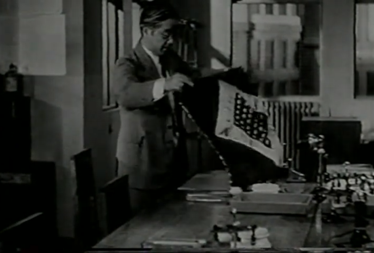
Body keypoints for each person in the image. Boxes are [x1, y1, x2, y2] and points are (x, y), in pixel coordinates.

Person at [113, 1, 200, 216]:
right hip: (143, 164)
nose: (171, 41)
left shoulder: (169, 59)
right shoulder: (127, 63)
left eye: (173, 35)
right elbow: (126, 94)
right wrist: (164, 85)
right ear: (146, 31)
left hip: (172, 163)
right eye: (165, 34)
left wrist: (224, 73)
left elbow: (193, 75)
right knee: (141, 231)